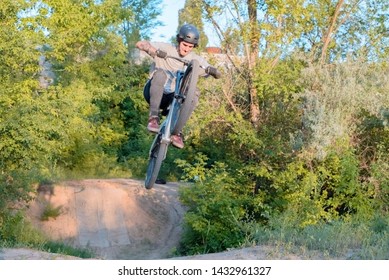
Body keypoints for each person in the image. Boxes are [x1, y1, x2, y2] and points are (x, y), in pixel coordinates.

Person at [135, 23, 221, 149]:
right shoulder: (166, 48)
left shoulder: (195, 59)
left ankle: (177, 132)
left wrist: (214, 71)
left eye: (190, 47)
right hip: (154, 92)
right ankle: (153, 118)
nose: (186, 49)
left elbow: (210, 69)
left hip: (173, 98)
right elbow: (140, 44)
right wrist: (152, 50)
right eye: (184, 45)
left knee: (194, 92)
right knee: (160, 74)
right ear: (179, 41)